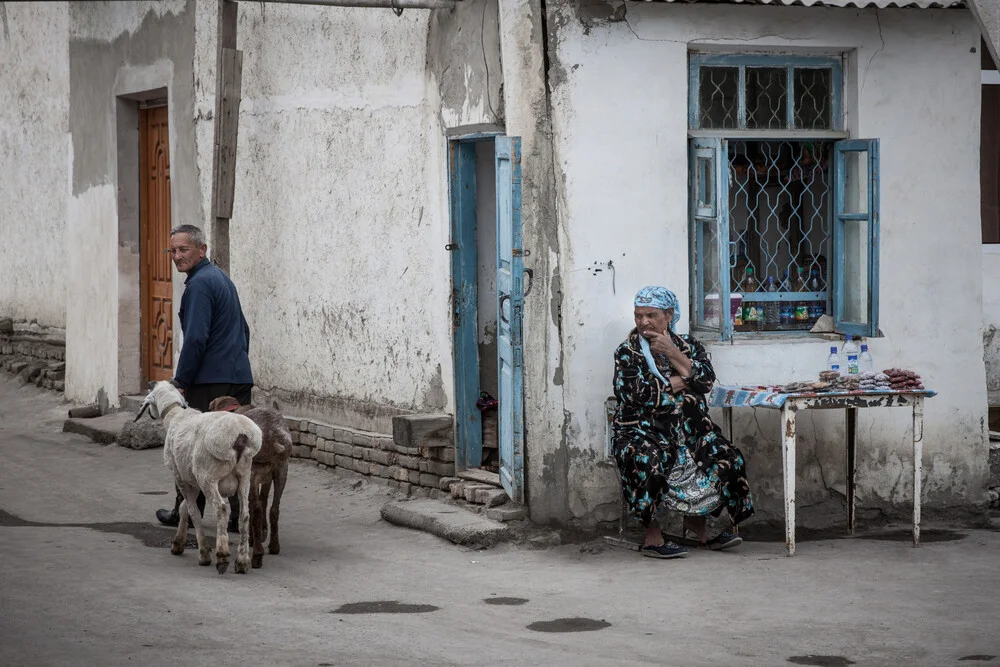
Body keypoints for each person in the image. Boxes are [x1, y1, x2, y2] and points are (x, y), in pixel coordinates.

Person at [611, 286, 754, 559]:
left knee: (727, 458)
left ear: (668, 315)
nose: (643, 322)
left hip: (691, 430)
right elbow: (634, 396)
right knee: (645, 460)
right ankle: (652, 534)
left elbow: (705, 381)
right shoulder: (627, 352)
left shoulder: (689, 345)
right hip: (641, 431)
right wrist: (678, 382)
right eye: (638, 316)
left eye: (651, 315)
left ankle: (697, 524)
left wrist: (673, 353)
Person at [154, 224, 254, 532]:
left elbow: (196, 338)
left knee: (190, 447)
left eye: (184, 250)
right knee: (237, 449)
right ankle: (238, 518)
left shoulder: (198, 285)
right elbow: (245, 329)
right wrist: (236, 361)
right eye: (173, 250)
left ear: (202, 250)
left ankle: (183, 514)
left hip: (210, 382)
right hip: (237, 377)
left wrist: (181, 380)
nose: (177, 256)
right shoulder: (221, 278)